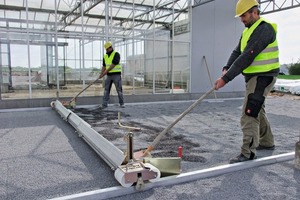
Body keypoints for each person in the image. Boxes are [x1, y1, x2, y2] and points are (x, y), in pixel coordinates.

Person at [214, 0, 279, 164]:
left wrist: (225, 79)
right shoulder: (248, 31)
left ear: (254, 12)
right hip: (254, 77)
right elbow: (238, 51)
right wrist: (227, 67)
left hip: (263, 77)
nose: (241, 19)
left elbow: (247, 55)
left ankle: (248, 152)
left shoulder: (264, 29)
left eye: (243, 15)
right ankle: (267, 142)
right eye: (240, 16)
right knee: (258, 109)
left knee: (249, 112)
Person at [99, 41, 125, 108]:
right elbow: (104, 66)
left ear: (111, 47)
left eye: (108, 49)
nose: (107, 50)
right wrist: (101, 73)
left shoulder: (116, 54)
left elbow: (113, 64)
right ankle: (104, 104)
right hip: (109, 75)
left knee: (119, 90)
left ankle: (122, 104)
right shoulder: (105, 56)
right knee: (106, 90)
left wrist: (105, 72)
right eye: (106, 49)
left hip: (116, 75)